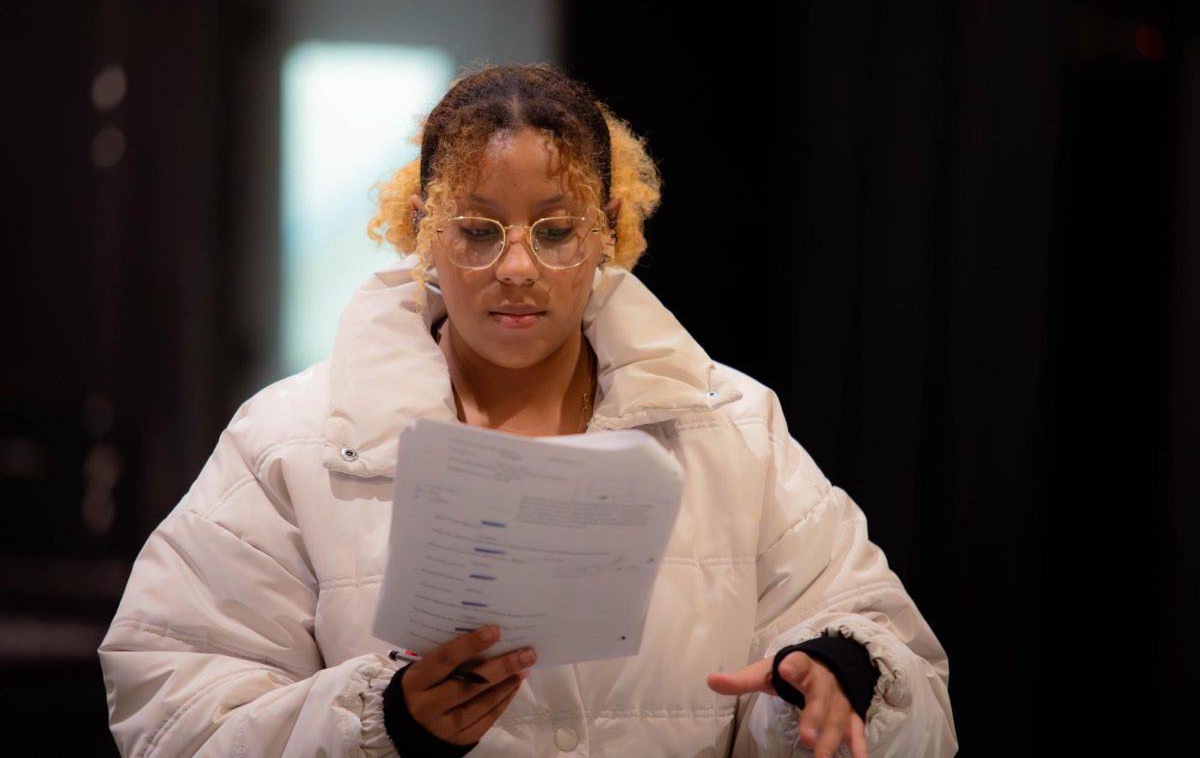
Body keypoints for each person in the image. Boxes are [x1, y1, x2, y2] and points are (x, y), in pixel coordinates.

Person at [99, 62, 957, 757]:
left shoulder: (732, 429)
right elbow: (172, 705)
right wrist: (384, 725)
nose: (517, 268)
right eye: (478, 229)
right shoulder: (290, 444)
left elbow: (894, 657)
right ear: (423, 228)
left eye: (555, 231)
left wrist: (837, 676)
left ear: (609, 229)